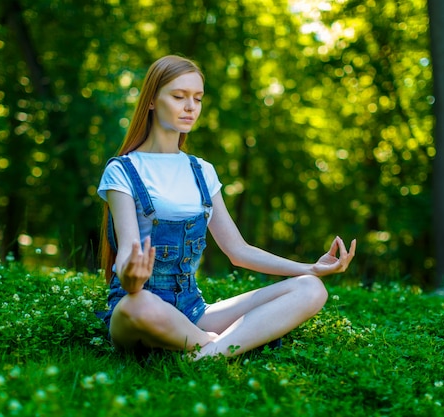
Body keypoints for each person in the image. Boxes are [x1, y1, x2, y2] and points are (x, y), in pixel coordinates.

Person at [98, 55, 356, 360]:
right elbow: (128, 251)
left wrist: (310, 269)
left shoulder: (202, 171)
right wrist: (131, 277)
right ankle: (224, 346)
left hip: (193, 310)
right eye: (179, 96)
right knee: (138, 304)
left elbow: (238, 250)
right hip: (139, 305)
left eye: (198, 98)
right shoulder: (123, 170)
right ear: (152, 101)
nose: (191, 107)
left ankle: (207, 352)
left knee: (312, 289)